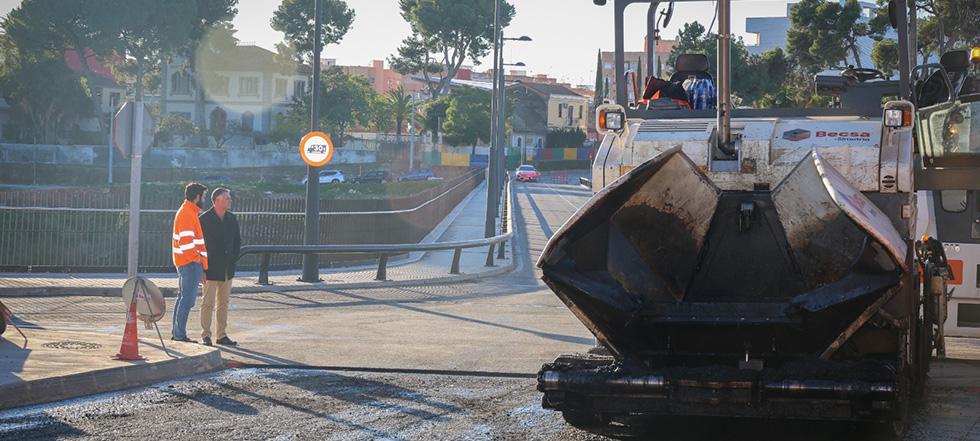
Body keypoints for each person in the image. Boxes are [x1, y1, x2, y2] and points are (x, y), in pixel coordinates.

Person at [198, 187, 241, 346]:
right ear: (217, 200)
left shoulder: (231, 219)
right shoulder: (204, 219)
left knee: (223, 303)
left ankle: (221, 335)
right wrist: (201, 269)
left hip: (227, 269)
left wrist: (233, 258)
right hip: (209, 269)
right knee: (207, 303)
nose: (231, 201)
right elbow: (198, 245)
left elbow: (237, 241)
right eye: (227, 198)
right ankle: (205, 335)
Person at [171, 183, 209, 343]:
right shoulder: (188, 213)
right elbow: (187, 244)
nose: (205, 200)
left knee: (182, 298)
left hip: (187, 263)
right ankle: (179, 335)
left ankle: (177, 333)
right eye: (204, 196)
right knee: (187, 300)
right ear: (197, 197)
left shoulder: (187, 211)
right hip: (190, 263)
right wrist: (198, 260)